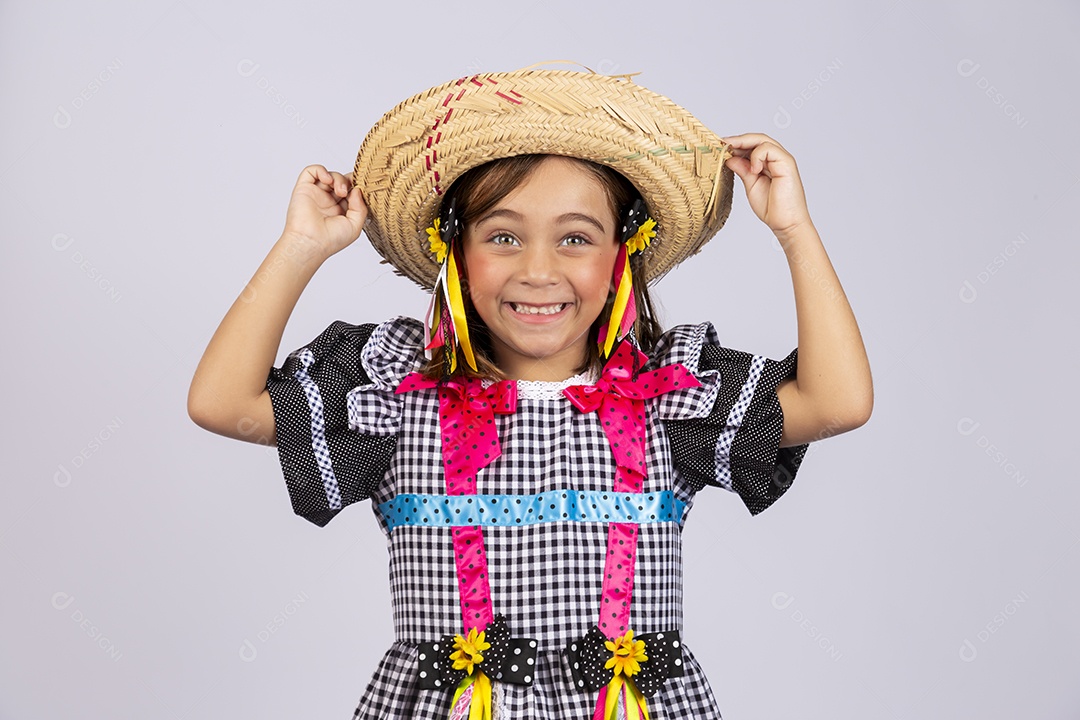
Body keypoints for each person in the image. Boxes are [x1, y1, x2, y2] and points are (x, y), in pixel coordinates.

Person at [188, 68, 872, 720]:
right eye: (503, 236)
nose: (538, 270)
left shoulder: (670, 396)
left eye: (576, 237)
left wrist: (794, 230)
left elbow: (838, 403)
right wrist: (301, 246)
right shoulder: (397, 392)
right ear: (453, 252)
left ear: (620, 257)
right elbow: (223, 403)